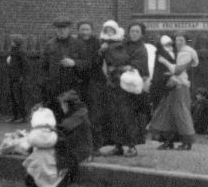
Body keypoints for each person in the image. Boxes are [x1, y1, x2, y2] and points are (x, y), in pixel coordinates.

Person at [99, 19, 146, 156]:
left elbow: (139, 65)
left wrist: (124, 66)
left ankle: (132, 146)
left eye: (137, 31)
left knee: (128, 116)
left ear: (141, 34)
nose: (134, 34)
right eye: (132, 31)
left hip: (129, 86)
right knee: (115, 115)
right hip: (115, 84)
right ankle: (118, 146)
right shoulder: (122, 43)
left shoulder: (141, 49)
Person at [148, 33, 199, 150]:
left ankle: (187, 142)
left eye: (181, 40)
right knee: (167, 113)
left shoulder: (186, 53)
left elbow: (177, 70)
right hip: (172, 86)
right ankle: (168, 141)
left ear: (186, 41)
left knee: (181, 113)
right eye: (176, 40)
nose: (178, 42)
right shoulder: (177, 54)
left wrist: (164, 62)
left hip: (180, 86)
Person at [74, 20, 107, 151]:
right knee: (80, 113)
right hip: (80, 82)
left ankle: (96, 146)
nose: (85, 32)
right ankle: (81, 144)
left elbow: (98, 62)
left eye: (87, 29)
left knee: (95, 114)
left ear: (91, 30)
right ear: (78, 30)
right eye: (82, 29)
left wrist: (99, 54)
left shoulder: (97, 43)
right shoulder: (75, 43)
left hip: (95, 82)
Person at [40, 18, 81, 111]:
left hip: (72, 86)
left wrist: (74, 63)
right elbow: (43, 66)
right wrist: (47, 82)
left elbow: (86, 63)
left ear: (69, 29)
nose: (61, 31)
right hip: (54, 87)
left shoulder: (77, 44)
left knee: (72, 114)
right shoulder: (49, 45)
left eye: (64, 28)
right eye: (59, 28)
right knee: (56, 113)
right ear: (55, 30)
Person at [54, 88, 93, 187]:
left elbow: (64, 128)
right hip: (79, 148)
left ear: (67, 104)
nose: (62, 108)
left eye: (62, 105)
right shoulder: (78, 112)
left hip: (80, 150)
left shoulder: (78, 115)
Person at [5, 34, 30, 123]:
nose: (11, 42)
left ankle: (24, 117)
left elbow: (25, 65)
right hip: (12, 77)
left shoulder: (20, 52)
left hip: (17, 78)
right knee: (12, 98)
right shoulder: (13, 51)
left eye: (13, 41)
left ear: (16, 42)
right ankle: (15, 116)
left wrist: (22, 76)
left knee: (19, 98)